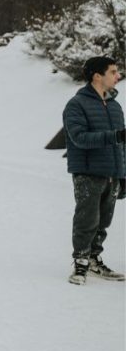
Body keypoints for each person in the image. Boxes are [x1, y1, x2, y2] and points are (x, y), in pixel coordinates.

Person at [63, 56, 126, 285]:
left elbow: (122, 144)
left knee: (104, 221)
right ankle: (80, 263)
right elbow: (78, 138)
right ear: (97, 76)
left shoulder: (115, 106)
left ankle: (93, 259)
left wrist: (123, 173)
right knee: (86, 219)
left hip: (112, 172)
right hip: (88, 172)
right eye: (113, 72)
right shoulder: (76, 104)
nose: (117, 76)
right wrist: (114, 136)